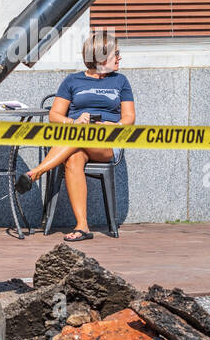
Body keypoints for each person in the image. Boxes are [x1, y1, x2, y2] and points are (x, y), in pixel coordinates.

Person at [16, 30, 134, 242]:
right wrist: (74, 122)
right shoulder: (73, 81)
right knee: (73, 158)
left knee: (79, 139)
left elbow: (129, 119)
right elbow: (54, 115)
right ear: (100, 56)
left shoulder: (121, 82)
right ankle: (82, 226)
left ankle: (37, 172)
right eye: (116, 53)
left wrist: (112, 125)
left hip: (106, 144)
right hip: (77, 140)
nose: (119, 57)